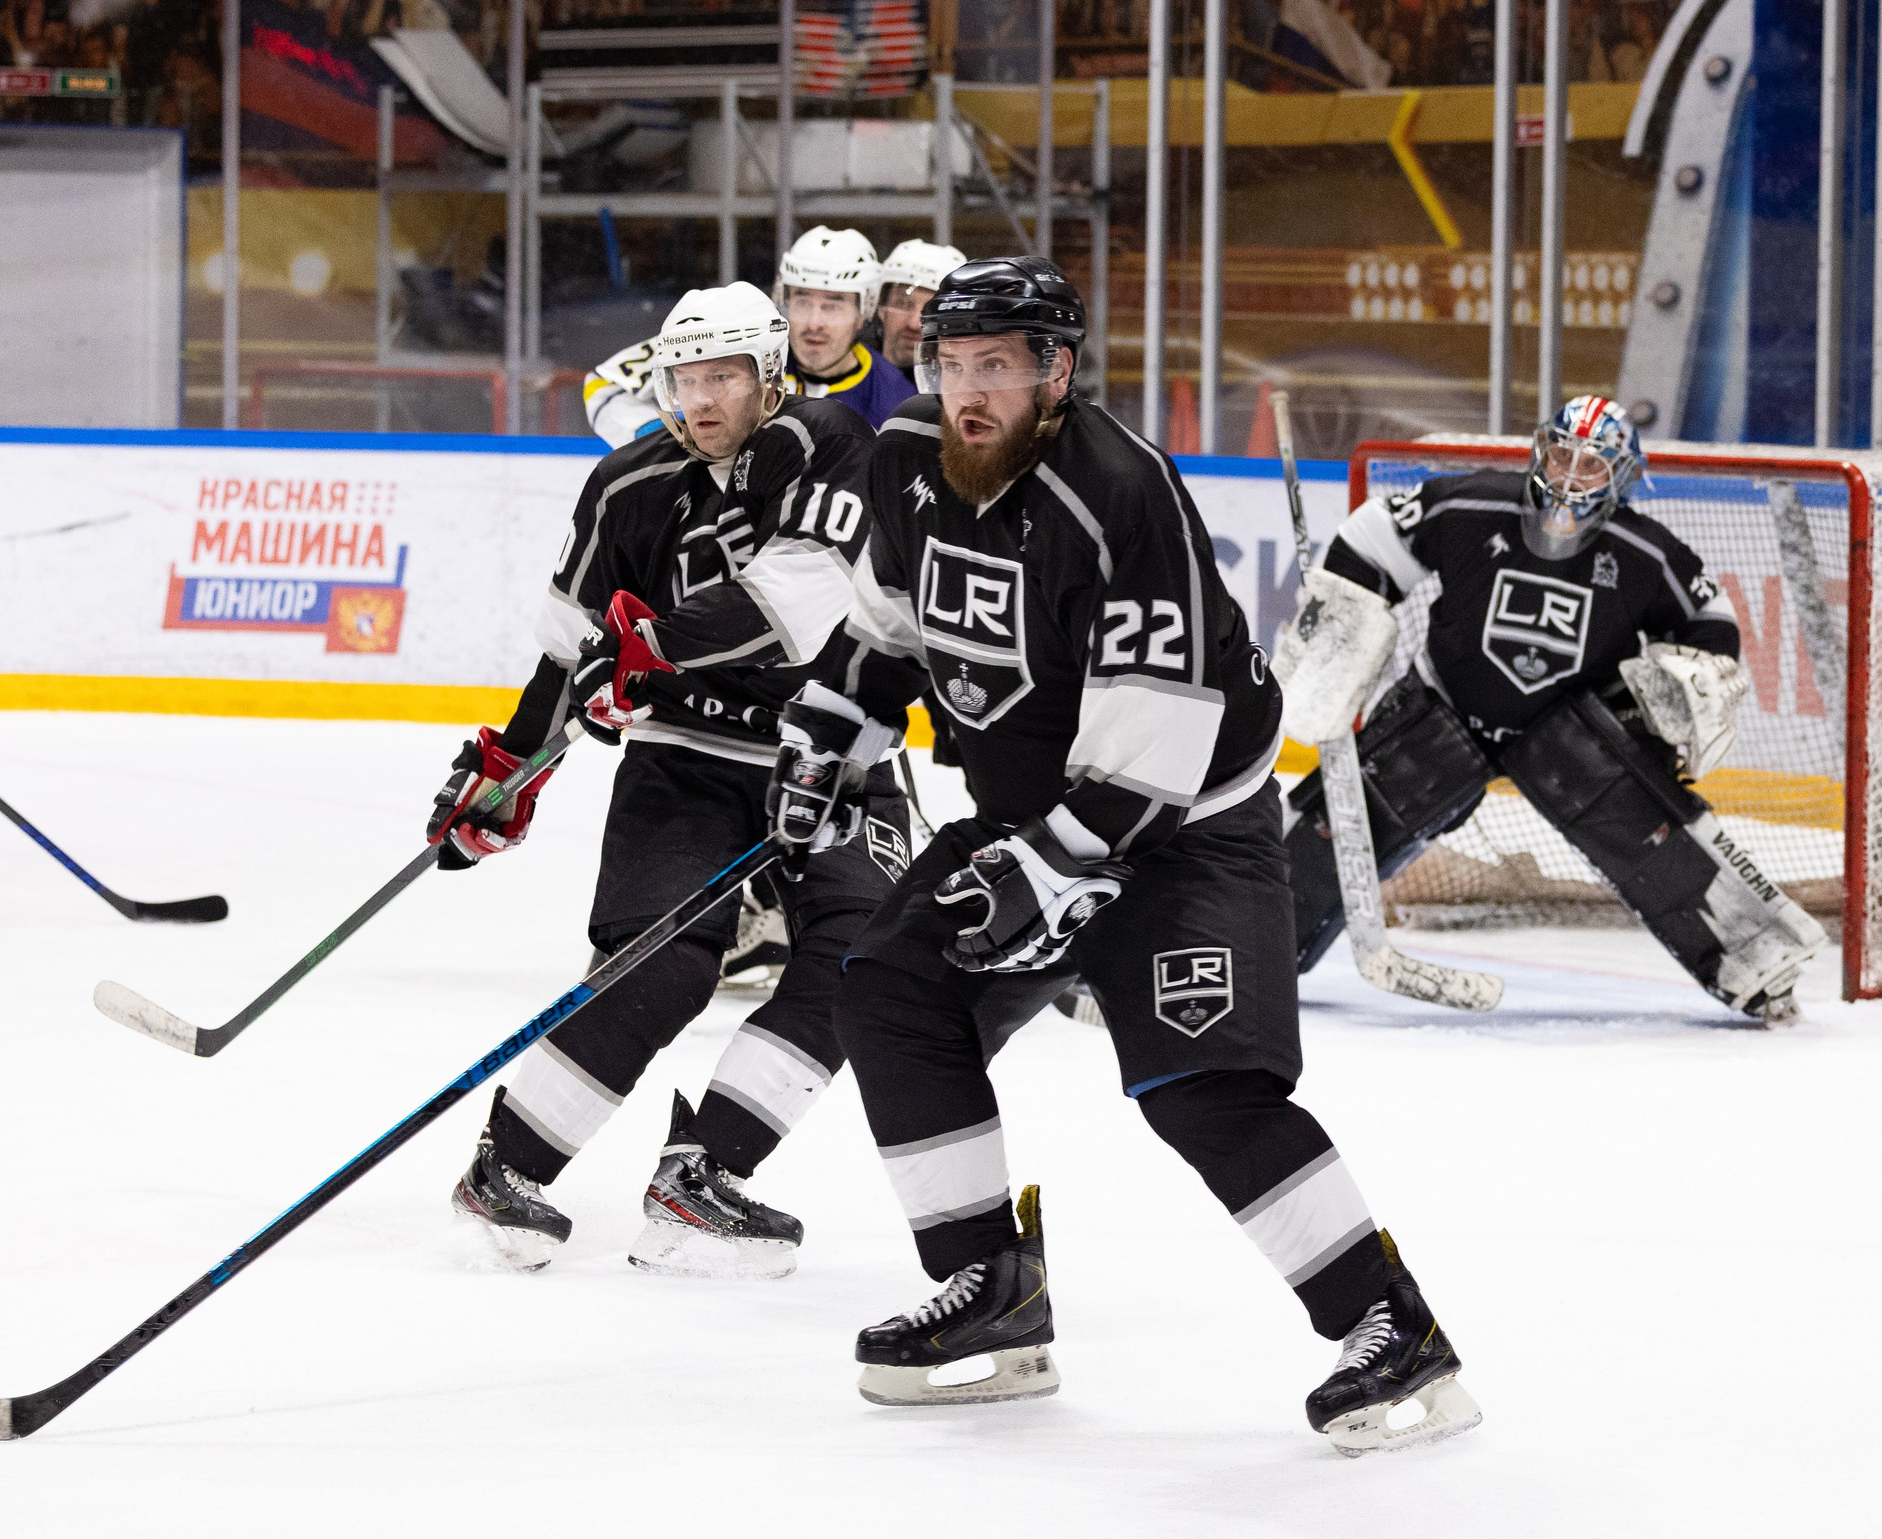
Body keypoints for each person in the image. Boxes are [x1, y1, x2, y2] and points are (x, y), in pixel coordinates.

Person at [775, 255, 1478, 1453]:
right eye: (951, 365)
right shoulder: (904, 460)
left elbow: (1158, 737)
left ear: (1055, 373)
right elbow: (891, 629)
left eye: (996, 365)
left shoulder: (1120, 491)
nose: (968, 392)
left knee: (1202, 1089)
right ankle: (989, 1294)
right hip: (1034, 817)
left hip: (1185, 831)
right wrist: (821, 734)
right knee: (891, 989)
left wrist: (1048, 869)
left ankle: (1391, 1328)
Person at [432, 281, 910, 1280]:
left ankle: (706, 1173)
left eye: (725, 376)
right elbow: (571, 651)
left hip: (826, 752)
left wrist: (651, 649)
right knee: (660, 967)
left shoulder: (828, 443)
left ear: (768, 376)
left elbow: (799, 601)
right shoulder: (625, 485)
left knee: (866, 960)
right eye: (686, 376)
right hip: (687, 758)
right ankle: (507, 1169)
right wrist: (507, 772)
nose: (701, 398)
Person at [1277, 395, 1824, 1024]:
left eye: (1589, 466)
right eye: (1560, 454)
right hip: (1449, 705)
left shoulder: (1645, 553)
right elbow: (1371, 536)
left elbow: (1710, 621)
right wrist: (1343, 619)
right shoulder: (1472, 503)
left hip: (1566, 727)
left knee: (1645, 828)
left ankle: (1754, 964)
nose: (1568, 475)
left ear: (1621, 476)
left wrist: (1689, 687)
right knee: (1354, 814)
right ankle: (1250, 935)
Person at [774, 225, 917, 427]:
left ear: (863, 312)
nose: (814, 324)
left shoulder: (896, 404)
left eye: (832, 306)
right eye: (802, 302)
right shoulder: (758, 374)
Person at [872, 238, 963, 370]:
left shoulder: (964, 389)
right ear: (881, 307)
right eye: (903, 304)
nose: (914, 324)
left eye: (933, 310)